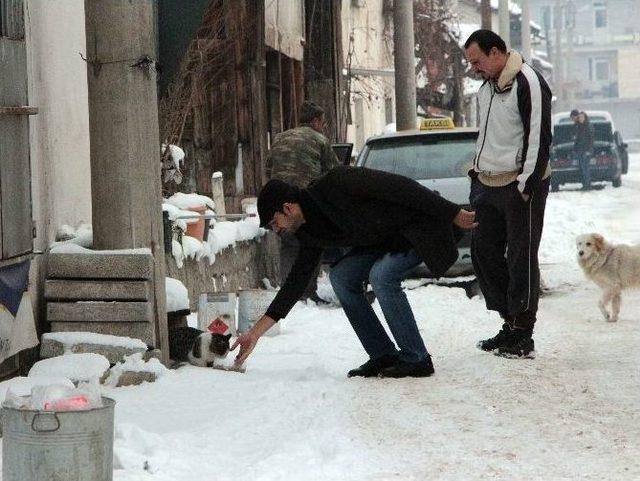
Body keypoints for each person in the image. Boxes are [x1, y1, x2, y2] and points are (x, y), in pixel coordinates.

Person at [231, 166, 477, 378]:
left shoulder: (337, 184)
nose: (276, 230)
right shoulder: (309, 231)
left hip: (419, 230)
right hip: (386, 242)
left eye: (274, 223)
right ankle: (383, 355)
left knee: (382, 276)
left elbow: (402, 187)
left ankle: (417, 359)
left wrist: (452, 212)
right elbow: (295, 283)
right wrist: (254, 334)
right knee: (341, 277)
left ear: (287, 208)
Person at [464, 30, 552, 359]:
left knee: (520, 257)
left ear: (498, 52)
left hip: (519, 185)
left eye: (478, 60)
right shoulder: (486, 87)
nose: (474, 68)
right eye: (470, 62)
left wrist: (526, 185)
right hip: (487, 183)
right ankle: (508, 321)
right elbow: (487, 134)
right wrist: (476, 171)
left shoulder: (529, 81)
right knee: (483, 253)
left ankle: (523, 333)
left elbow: (539, 138)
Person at [266, 100, 340, 304]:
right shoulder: (320, 140)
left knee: (288, 244)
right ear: (316, 120)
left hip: (279, 201)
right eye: (322, 122)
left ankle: (290, 294)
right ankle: (307, 292)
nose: (322, 125)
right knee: (311, 243)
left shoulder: (280, 138)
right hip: (305, 202)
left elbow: (268, 169)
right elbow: (333, 172)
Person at [570, 109, 595, 190]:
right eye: (579, 117)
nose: (580, 119)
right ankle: (585, 184)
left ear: (585, 117)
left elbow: (590, 139)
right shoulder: (578, 126)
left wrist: (588, 150)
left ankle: (587, 185)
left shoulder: (588, 126)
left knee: (585, 168)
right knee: (582, 168)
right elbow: (577, 139)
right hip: (580, 150)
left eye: (581, 117)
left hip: (586, 150)